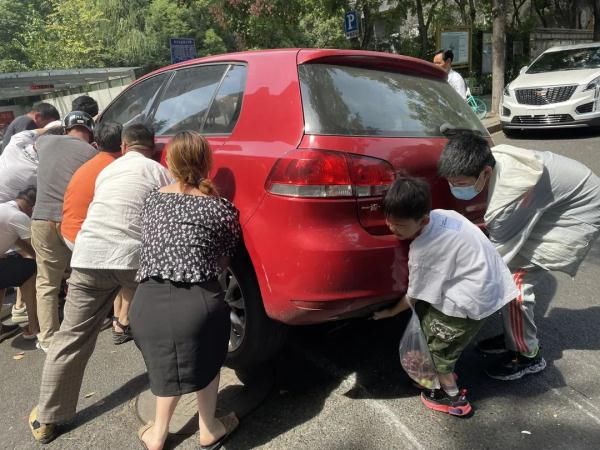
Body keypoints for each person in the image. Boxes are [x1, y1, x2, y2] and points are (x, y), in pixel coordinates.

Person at [28, 123, 171, 444]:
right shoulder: (159, 172)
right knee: (158, 329)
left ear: (123, 145)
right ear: (153, 146)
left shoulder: (107, 170)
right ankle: (169, 390)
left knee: (73, 336)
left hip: (90, 255)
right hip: (132, 259)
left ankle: (48, 417)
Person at [438, 134, 600, 380]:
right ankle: (513, 334)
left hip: (578, 209)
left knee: (514, 283)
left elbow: (496, 260)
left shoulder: (506, 202)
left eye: (461, 183)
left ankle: (528, 356)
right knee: (507, 274)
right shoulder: (492, 156)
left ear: (485, 172)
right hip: (560, 197)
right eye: (451, 182)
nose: (455, 188)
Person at [131, 130, 240, 450]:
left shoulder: (152, 199)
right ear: (207, 162)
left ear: (169, 162)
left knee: (166, 367)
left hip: (146, 304)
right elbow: (224, 259)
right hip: (198, 303)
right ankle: (209, 429)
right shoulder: (221, 208)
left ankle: (158, 434)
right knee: (206, 361)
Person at [372, 177, 517, 416]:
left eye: (400, 225)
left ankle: (450, 395)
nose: (391, 227)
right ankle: (438, 374)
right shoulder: (443, 214)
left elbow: (414, 296)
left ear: (423, 220)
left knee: (440, 348)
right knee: (431, 325)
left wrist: (389, 312)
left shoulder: (424, 249)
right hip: (489, 288)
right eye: (389, 219)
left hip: (470, 302)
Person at [60, 120, 133, 344]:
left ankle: (115, 317)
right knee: (132, 266)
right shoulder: (117, 168)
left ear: (96, 143)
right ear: (123, 145)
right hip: (84, 237)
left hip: (69, 230)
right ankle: (122, 323)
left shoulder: (93, 163)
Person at [30, 111, 97, 352]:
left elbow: (35, 137)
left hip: (41, 218)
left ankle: (47, 339)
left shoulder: (45, 142)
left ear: (65, 128)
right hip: (73, 221)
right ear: (91, 131)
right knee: (81, 276)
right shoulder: (92, 154)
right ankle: (81, 327)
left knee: (47, 283)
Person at [0, 187, 39, 341]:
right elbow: (37, 246)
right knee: (30, 270)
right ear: (32, 207)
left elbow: (16, 239)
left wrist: (33, 255)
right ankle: (34, 326)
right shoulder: (18, 217)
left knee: (5, 278)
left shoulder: (6, 207)